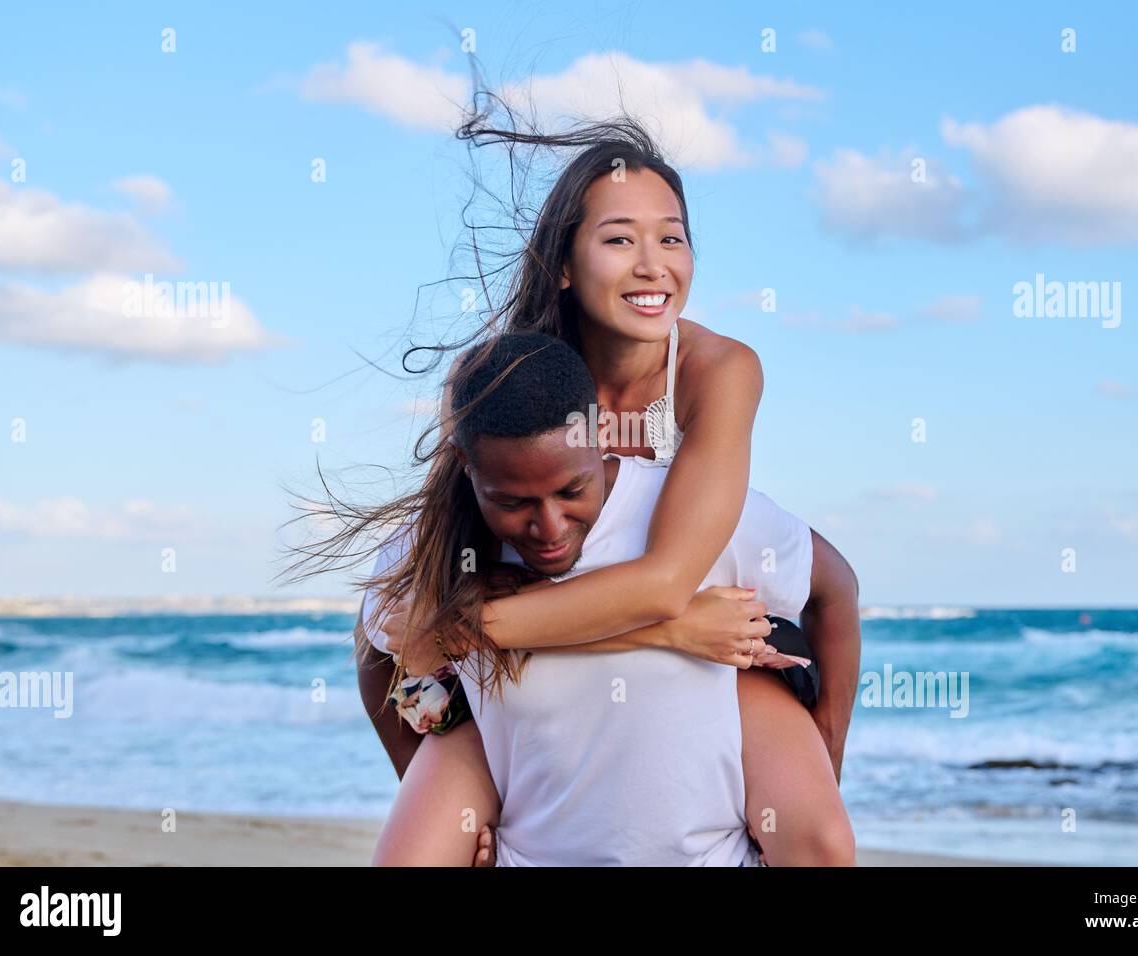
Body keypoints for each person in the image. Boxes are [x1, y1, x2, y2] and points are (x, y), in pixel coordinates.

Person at [337, 110, 861, 865]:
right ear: (563, 263)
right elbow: (405, 599)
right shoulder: (512, 382)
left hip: (704, 613)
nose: (653, 265)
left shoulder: (717, 371)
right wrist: (442, 785)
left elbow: (674, 583)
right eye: (620, 239)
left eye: (671, 238)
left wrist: (825, 754)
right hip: (590, 631)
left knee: (817, 830)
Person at [366, 332, 855, 865]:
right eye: (511, 502)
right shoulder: (440, 544)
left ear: (602, 434)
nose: (548, 527)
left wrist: (828, 760)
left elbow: (834, 589)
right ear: (465, 462)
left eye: (572, 491)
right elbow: (378, 655)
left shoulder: (689, 513)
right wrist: (451, 812)